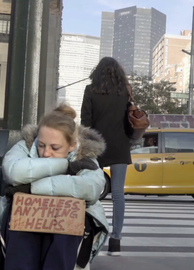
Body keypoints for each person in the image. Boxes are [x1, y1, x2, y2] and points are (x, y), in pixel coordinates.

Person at [0, 104, 109, 270]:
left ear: (72, 145)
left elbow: (91, 187)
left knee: (65, 225)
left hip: (66, 224)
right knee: (23, 226)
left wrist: (31, 188)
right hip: (25, 219)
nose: (46, 153)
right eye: (41, 145)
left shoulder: (85, 154)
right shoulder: (26, 144)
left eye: (55, 148)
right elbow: (14, 172)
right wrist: (65, 166)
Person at [81, 57, 132, 256]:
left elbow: (86, 122)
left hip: (97, 146)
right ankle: (116, 241)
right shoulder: (125, 91)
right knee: (118, 194)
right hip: (120, 146)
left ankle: (91, 233)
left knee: (93, 191)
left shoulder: (90, 90)